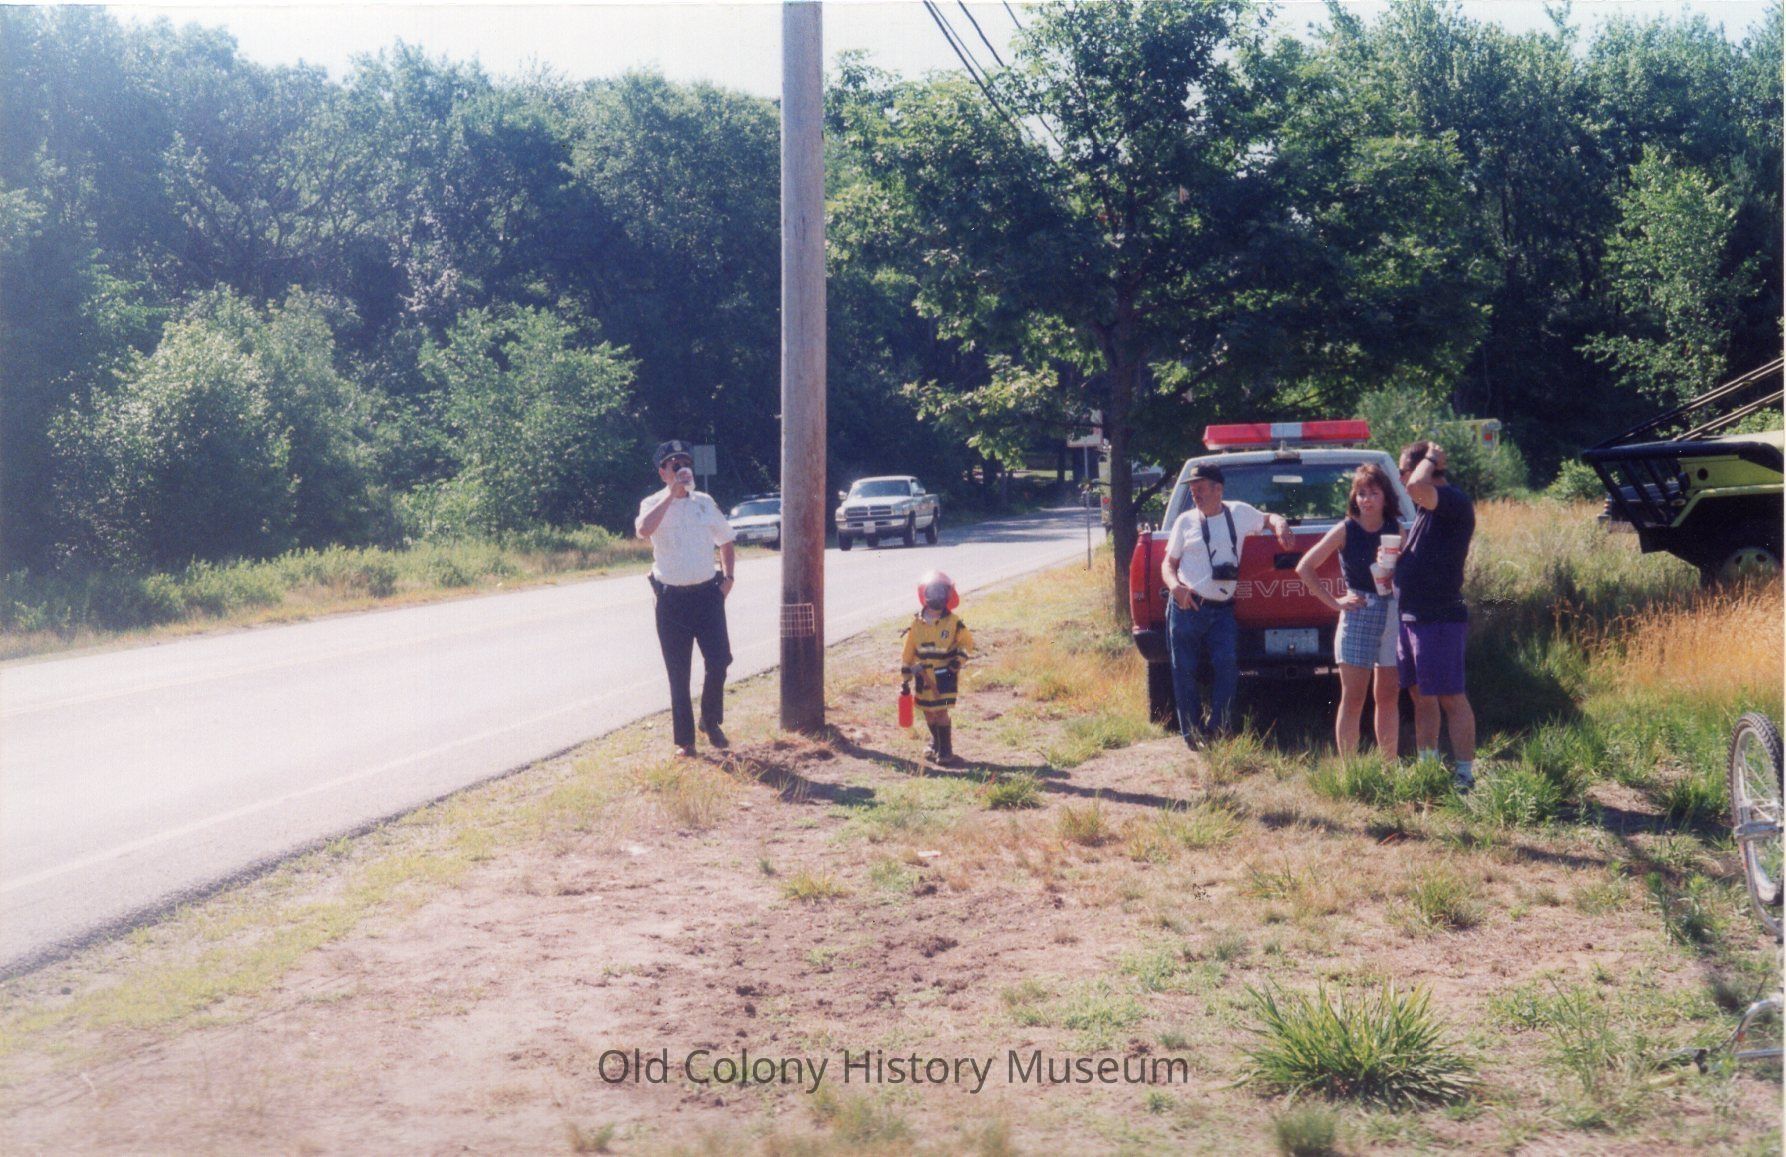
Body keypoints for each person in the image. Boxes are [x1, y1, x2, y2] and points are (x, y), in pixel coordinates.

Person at [1160, 463, 1295, 746]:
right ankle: (1193, 735)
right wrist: (1175, 587)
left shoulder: (1239, 513)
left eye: (1200, 488)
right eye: (1192, 490)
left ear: (1218, 489)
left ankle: (1217, 731)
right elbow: (1168, 564)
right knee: (1183, 671)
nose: (1195, 494)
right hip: (1187, 607)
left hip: (1222, 610)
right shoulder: (1185, 521)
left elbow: (1268, 518)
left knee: (1227, 668)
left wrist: (1281, 524)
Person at [635, 440, 736, 758]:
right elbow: (643, 530)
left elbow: (726, 539)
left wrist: (728, 578)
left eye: (686, 463)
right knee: (678, 672)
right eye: (675, 465)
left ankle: (710, 720)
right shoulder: (652, 502)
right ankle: (685, 742)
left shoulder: (704, 502)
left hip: (707, 595)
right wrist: (671, 495)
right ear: (663, 472)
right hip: (671, 600)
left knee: (720, 660)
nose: (683, 469)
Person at [1294, 463, 1402, 759]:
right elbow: (1305, 567)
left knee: (1388, 696)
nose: (1366, 500)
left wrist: (1398, 566)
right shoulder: (1346, 529)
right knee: (1353, 698)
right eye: (1361, 493)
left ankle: (1389, 766)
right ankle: (1350, 772)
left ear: (1385, 496)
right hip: (1359, 613)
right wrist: (1335, 602)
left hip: (1392, 613)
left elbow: (1410, 573)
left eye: (1374, 493)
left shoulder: (1396, 529)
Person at [1393, 440, 1477, 789]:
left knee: (1451, 696)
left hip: (1439, 618)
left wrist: (1430, 456)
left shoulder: (1452, 501)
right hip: (1412, 617)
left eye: (1402, 470)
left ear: (1421, 469)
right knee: (1421, 696)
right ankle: (1428, 767)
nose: (1400, 479)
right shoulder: (1426, 510)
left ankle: (1464, 774)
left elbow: (1416, 485)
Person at [900, 570, 975, 765]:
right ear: (924, 594)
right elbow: (909, 649)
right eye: (933, 591)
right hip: (923, 676)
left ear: (948, 595)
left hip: (945, 674)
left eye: (941, 592)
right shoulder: (916, 623)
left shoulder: (954, 622)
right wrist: (906, 671)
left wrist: (957, 661)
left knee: (941, 711)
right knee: (928, 711)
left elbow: (967, 643)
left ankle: (946, 750)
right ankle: (936, 742)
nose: (937, 596)